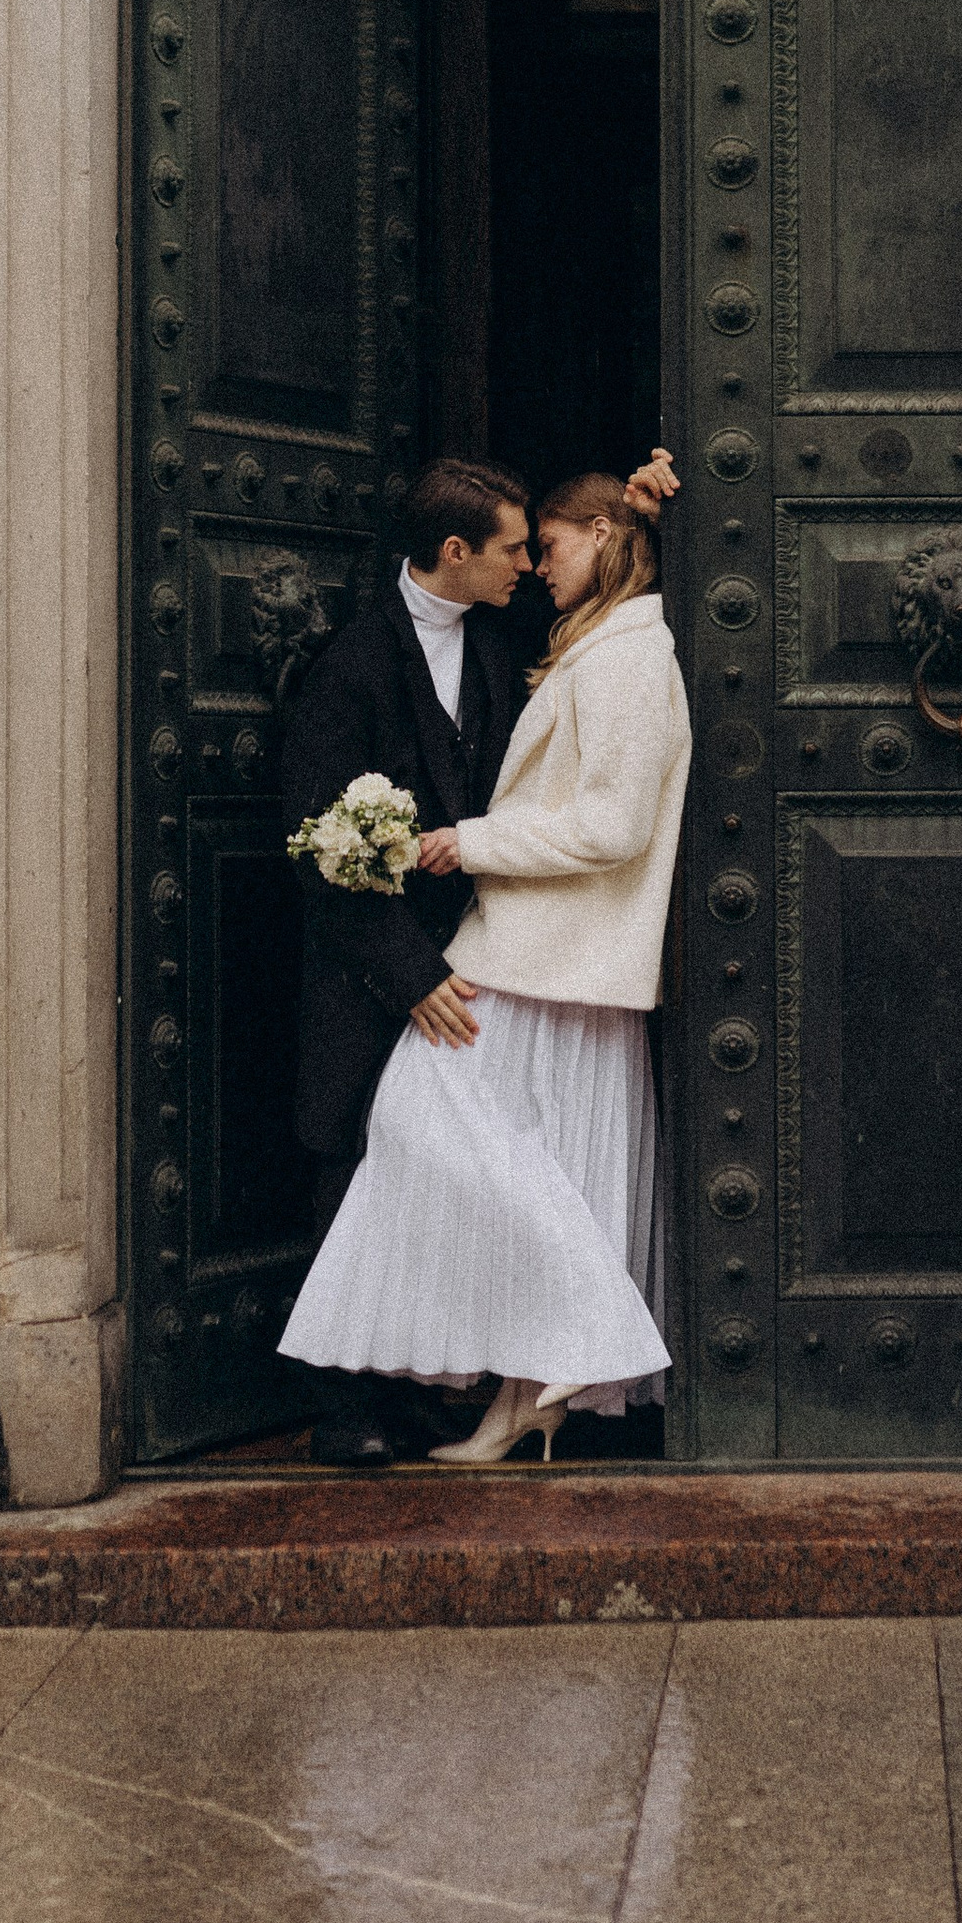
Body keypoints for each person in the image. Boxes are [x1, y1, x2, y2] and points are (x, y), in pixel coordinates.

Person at [278, 469, 691, 1465]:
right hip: (388, 957)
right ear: (454, 554)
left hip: (505, 946)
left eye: (540, 544)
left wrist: (657, 495)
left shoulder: (528, 644)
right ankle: (354, 1406)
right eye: (513, 548)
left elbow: (586, 803)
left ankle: (516, 1377)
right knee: (362, 1146)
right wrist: (407, 970)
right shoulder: (349, 665)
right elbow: (316, 835)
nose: (528, 563)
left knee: (447, 1151)